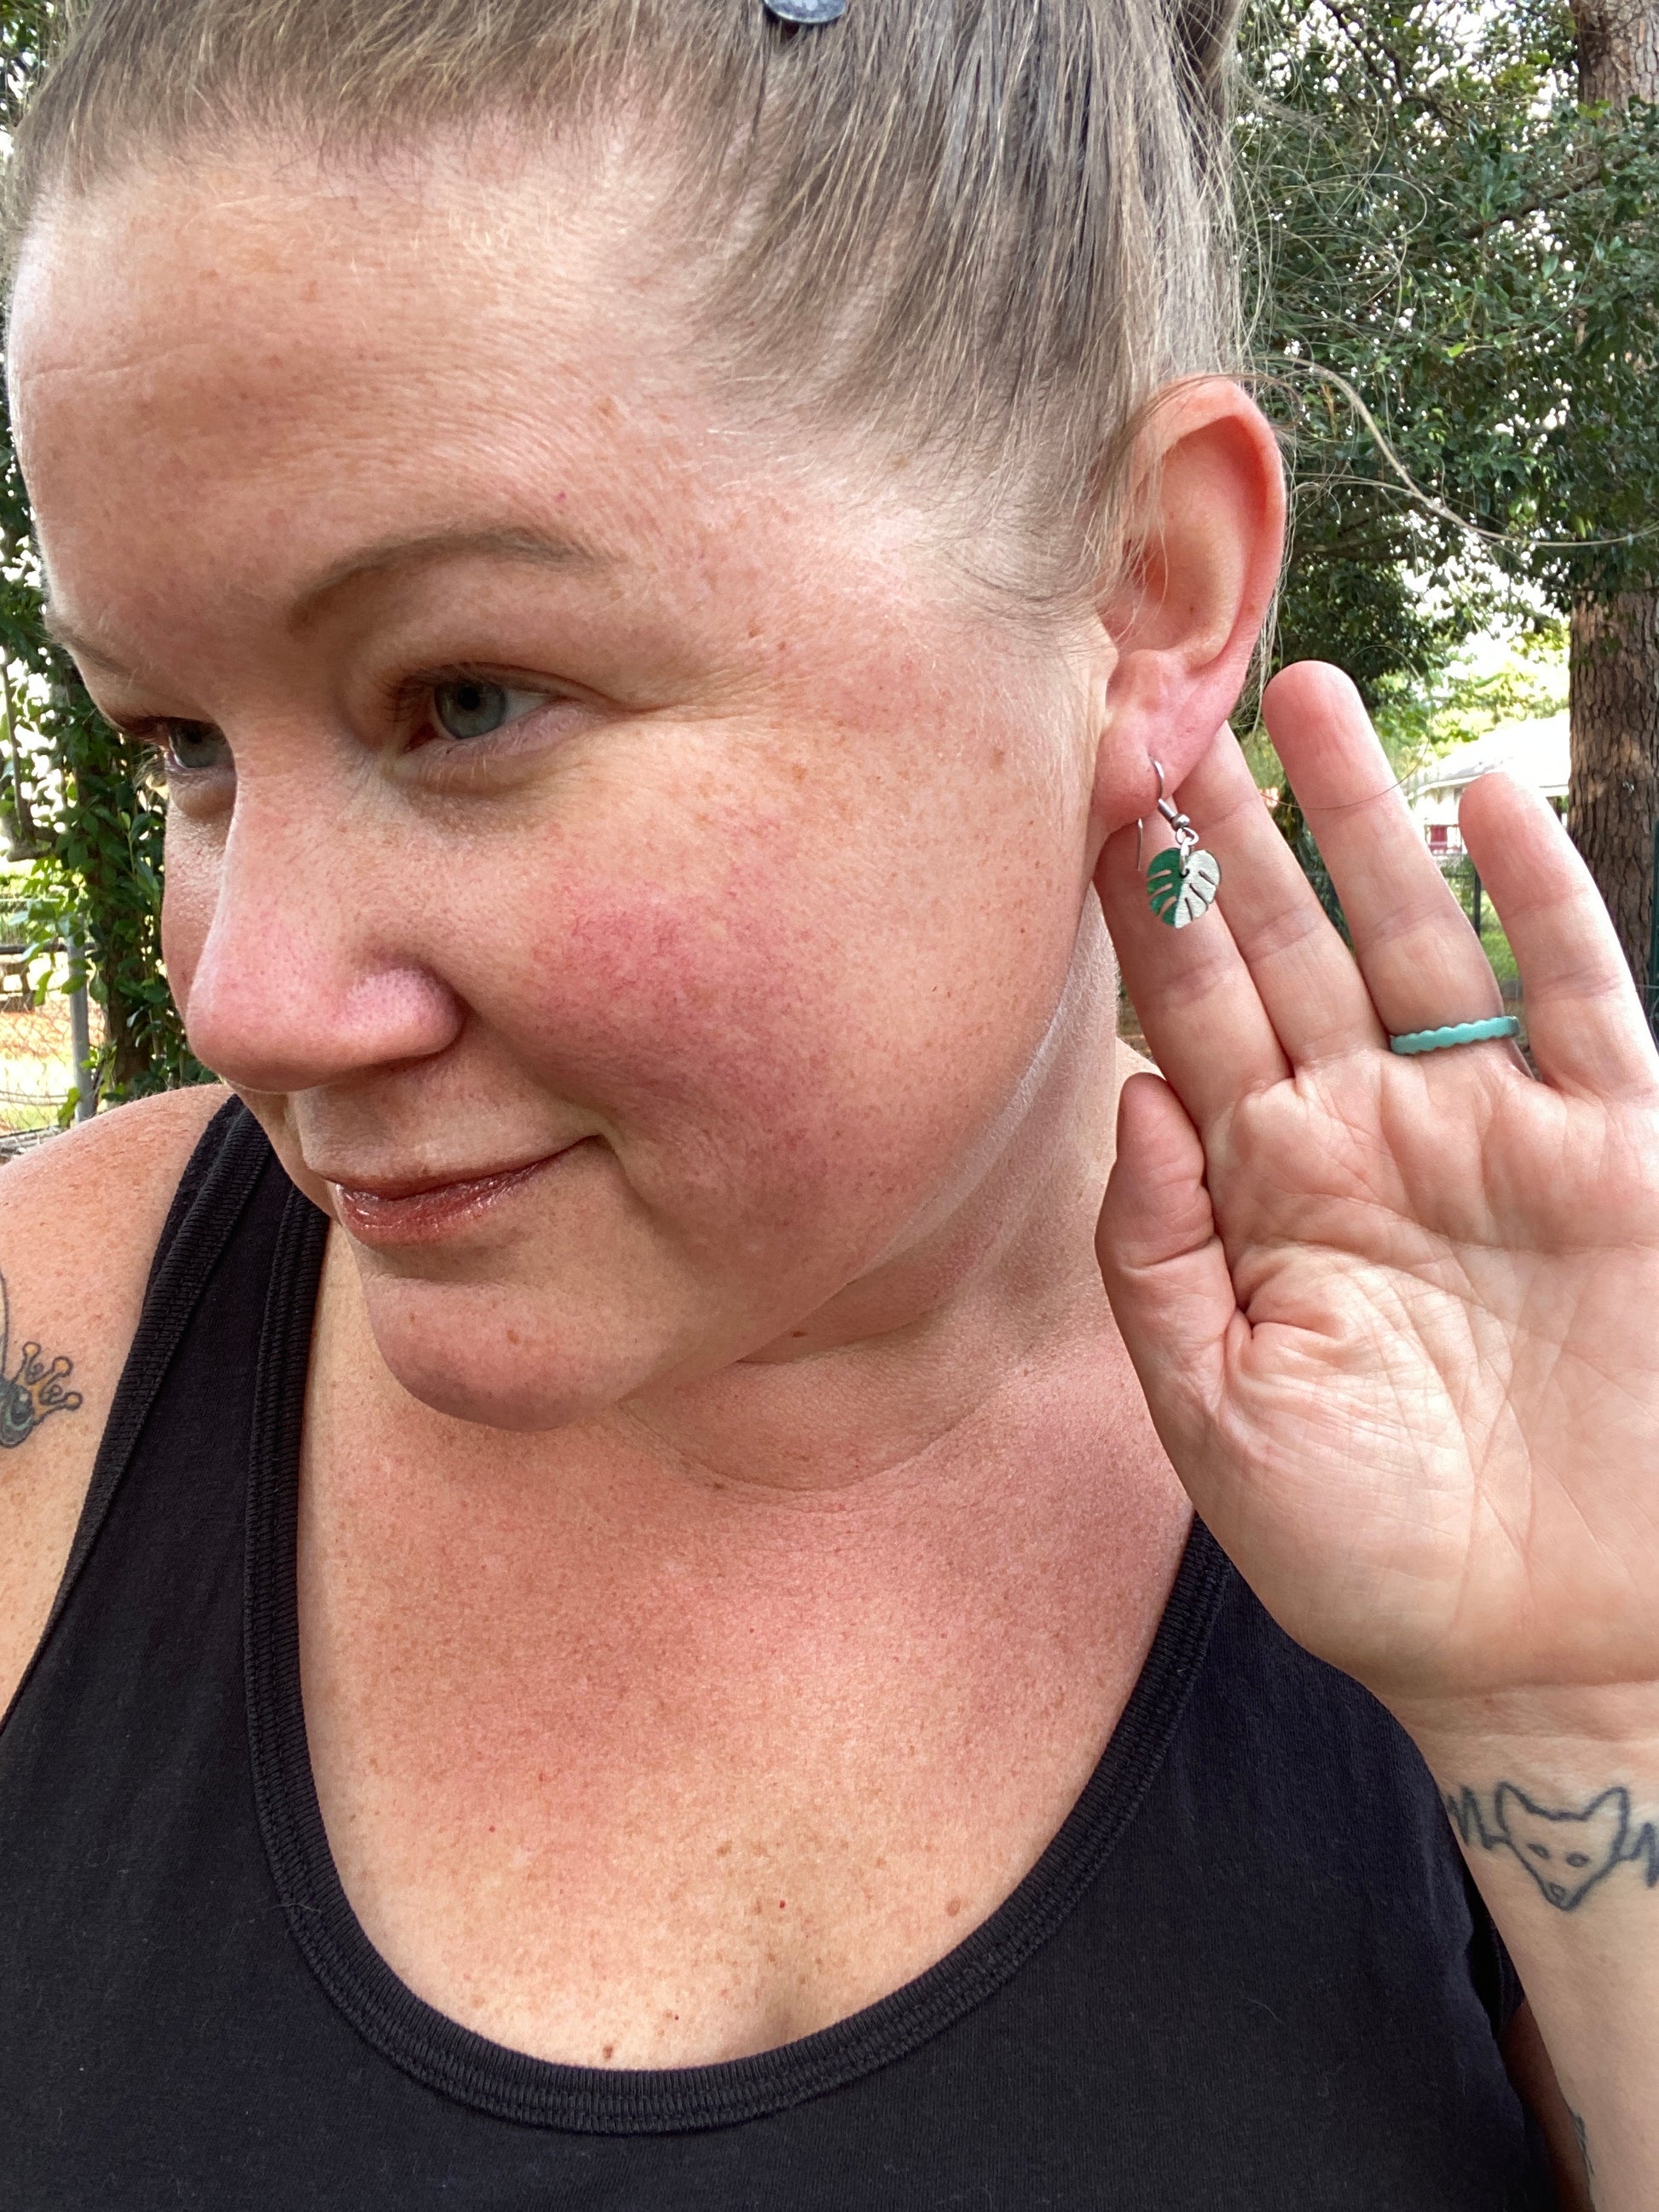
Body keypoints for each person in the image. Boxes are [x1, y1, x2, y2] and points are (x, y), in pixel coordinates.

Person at [0, 1, 1654, 2203]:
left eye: (464, 697)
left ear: (1138, 590)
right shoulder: (59, 1371)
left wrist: (1582, 1712)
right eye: (178, 742)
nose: (253, 993)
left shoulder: (1532, 1460)